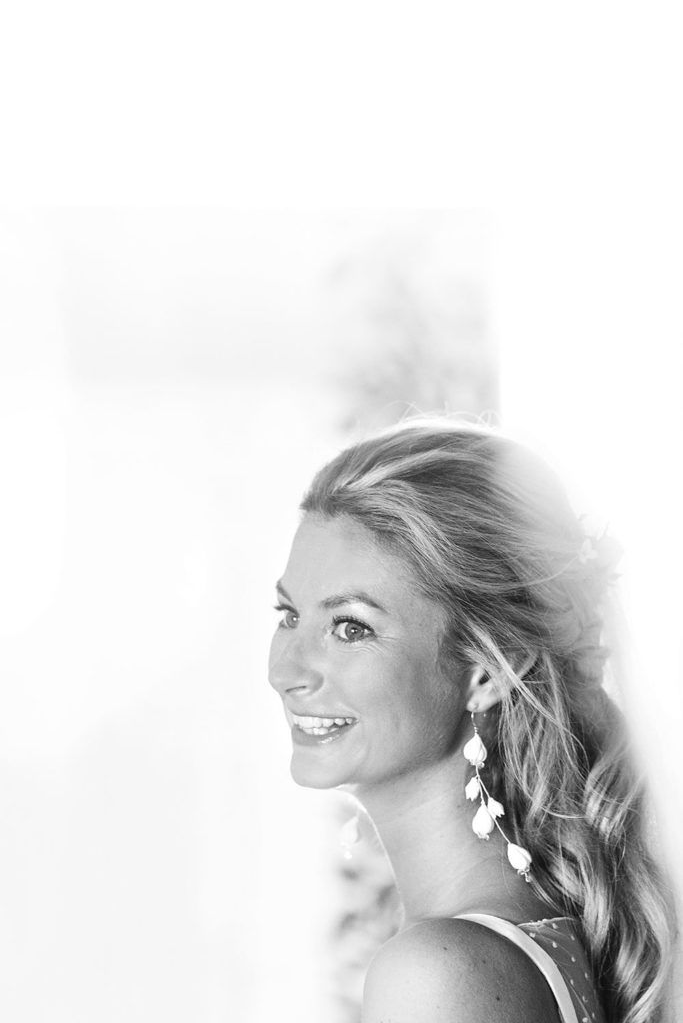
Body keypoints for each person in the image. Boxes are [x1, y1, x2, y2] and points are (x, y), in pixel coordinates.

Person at [268, 417, 677, 1023]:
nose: (287, 671)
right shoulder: (523, 935)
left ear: (487, 671)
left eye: (351, 627)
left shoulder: (438, 974)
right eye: (288, 615)